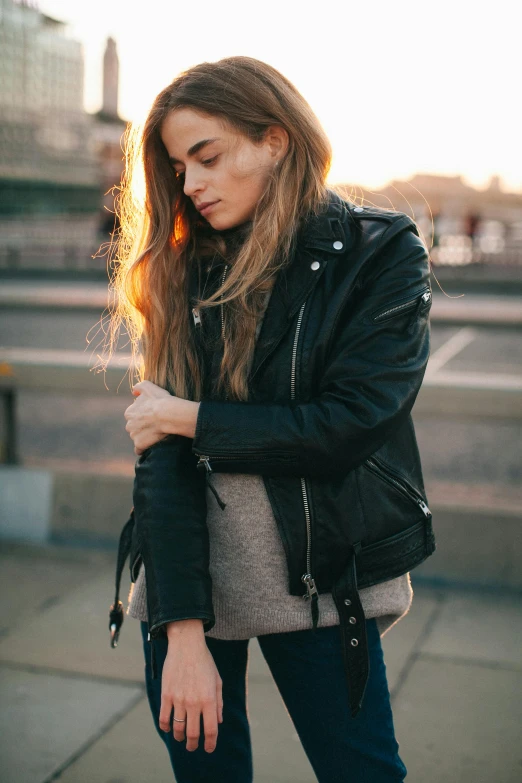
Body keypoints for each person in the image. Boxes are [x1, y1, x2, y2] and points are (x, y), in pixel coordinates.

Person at [107, 55, 435, 782]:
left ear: (276, 140)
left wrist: (192, 417)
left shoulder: (379, 254)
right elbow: (158, 458)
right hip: (189, 586)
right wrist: (182, 631)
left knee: (363, 773)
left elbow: (349, 424)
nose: (190, 184)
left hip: (318, 583)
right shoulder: (183, 262)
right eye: (177, 166)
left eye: (208, 157)